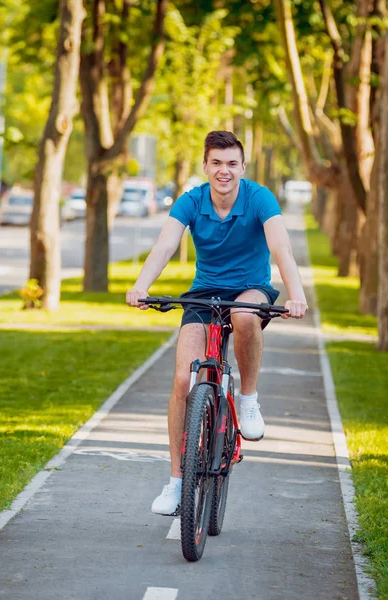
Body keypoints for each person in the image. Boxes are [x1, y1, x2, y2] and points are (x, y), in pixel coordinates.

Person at [126, 131, 308, 516]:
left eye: (232, 163)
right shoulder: (191, 201)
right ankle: (177, 482)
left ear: (242, 167)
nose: (224, 171)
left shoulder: (259, 198)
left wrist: (296, 294)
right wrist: (142, 287)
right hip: (205, 293)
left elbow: (281, 248)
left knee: (244, 315)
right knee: (181, 380)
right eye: (216, 163)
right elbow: (165, 244)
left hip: (250, 289)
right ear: (205, 166)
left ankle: (248, 401)